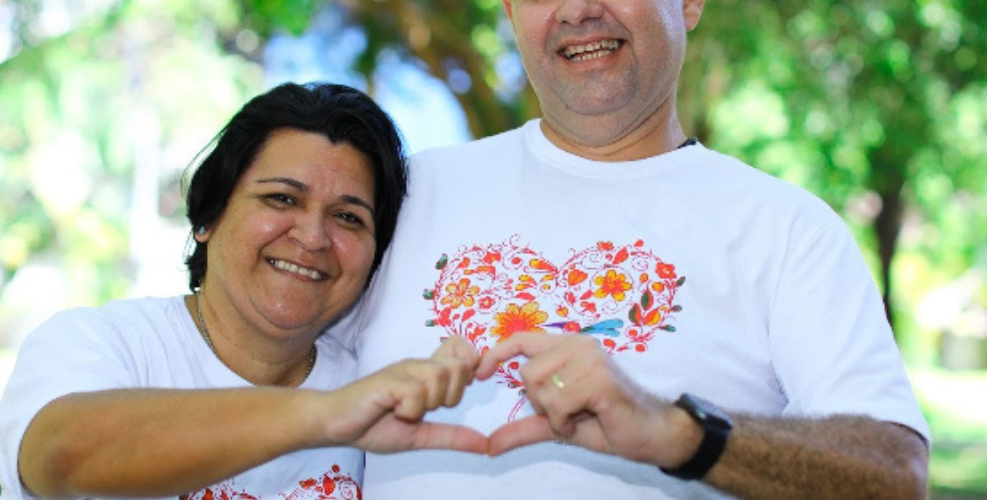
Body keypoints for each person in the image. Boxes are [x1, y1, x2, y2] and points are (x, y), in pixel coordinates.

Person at [347, 0, 931, 498]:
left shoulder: (787, 230)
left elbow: (895, 473)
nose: (577, 10)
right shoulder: (401, 195)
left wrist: (678, 430)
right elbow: (270, 384)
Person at [0, 82, 487, 500]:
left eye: (348, 217)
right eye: (281, 198)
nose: (313, 237)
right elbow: (63, 457)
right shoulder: (99, 343)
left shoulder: (376, 386)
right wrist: (326, 415)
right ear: (208, 215)